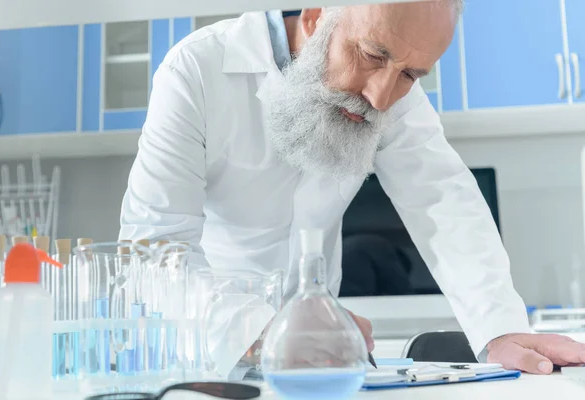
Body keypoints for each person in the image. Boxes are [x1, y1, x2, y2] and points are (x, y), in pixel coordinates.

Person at [120, 1, 585, 374]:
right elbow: (152, 247)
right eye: (372, 55)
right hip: (203, 355)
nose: (381, 97)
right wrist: (262, 331)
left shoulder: (394, 93)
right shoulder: (196, 70)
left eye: (410, 74)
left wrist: (498, 329)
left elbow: (443, 198)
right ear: (315, 15)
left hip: (320, 367)